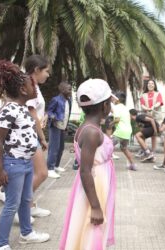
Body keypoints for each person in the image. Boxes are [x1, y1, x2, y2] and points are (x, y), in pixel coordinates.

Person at [0, 60, 50, 250]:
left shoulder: (23, 109)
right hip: (13, 164)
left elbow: (23, 132)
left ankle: (27, 233)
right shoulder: (9, 110)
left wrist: (38, 139)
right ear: (23, 90)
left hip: (25, 162)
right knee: (11, 205)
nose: (35, 87)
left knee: (25, 200)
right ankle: (1, 245)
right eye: (31, 84)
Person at [59, 78, 117, 250]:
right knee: (91, 230)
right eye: (109, 103)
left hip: (96, 184)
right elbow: (85, 170)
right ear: (104, 106)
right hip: (94, 186)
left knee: (90, 229)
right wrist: (96, 206)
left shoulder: (89, 127)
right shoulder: (92, 132)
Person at [24, 55, 51, 217]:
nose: (48, 75)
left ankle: (30, 205)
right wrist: (42, 137)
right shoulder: (29, 85)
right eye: (46, 71)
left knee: (31, 174)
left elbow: (37, 111)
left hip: (31, 134)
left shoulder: (34, 85)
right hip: (29, 135)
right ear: (36, 70)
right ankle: (21, 207)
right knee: (42, 173)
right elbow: (32, 112)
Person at [46, 81, 72, 177]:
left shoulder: (69, 101)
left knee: (61, 147)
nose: (70, 91)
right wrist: (54, 117)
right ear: (62, 90)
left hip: (63, 127)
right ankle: (50, 168)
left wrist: (66, 125)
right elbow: (49, 111)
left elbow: (67, 114)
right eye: (69, 89)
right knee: (54, 148)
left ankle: (56, 166)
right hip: (55, 126)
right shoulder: (56, 100)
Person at [137, 79, 163, 158]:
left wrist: (153, 107)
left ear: (154, 85)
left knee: (153, 135)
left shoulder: (158, 94)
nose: (150, 85)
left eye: (152, 83)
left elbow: (159, 103)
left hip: (155, 118)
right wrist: (148, 109)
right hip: (146, 117)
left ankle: (153, 151)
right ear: (147, 85)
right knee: (142, 133)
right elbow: (142, 105)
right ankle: (143, 150)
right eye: (149, 83)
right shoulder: (143, 95)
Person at [111, 91, 137, 170]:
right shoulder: (125, 108)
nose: (112, 99)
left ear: (117, 100)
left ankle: (104, 165)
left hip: (120, 132)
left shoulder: (117, 107)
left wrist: (110, 124)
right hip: (127, 132)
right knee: (124, 148)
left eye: (114, 98)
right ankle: (133, 165)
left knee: (108, 146)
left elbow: (117, 120)